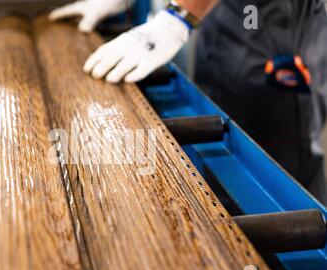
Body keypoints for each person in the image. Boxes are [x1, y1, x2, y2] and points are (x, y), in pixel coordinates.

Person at [49, 0, 327, 204]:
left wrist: (178, 17)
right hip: (225, 16)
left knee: (277, 178)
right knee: (222, 152)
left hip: (275, 25)